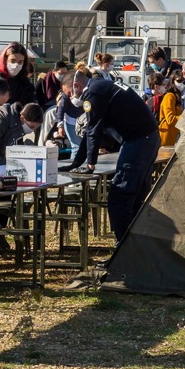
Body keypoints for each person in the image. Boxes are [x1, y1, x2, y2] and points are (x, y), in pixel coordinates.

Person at [68, 72, 160, 242]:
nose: (70, 98)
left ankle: (123, 251)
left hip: (137, 141)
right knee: (136, 197)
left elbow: (93, 130)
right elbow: (91, 130)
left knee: (120, 197)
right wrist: (76, 162)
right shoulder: (102, 85)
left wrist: (91, 164)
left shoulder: (92, 93)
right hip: (148, 138)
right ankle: (137, 246)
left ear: (76, 87)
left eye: (68, 93)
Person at [0, 42, 36, 107]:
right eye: (12, 61)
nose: (16, 65)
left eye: (20, 62)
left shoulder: (26, 85)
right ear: (5, 59)